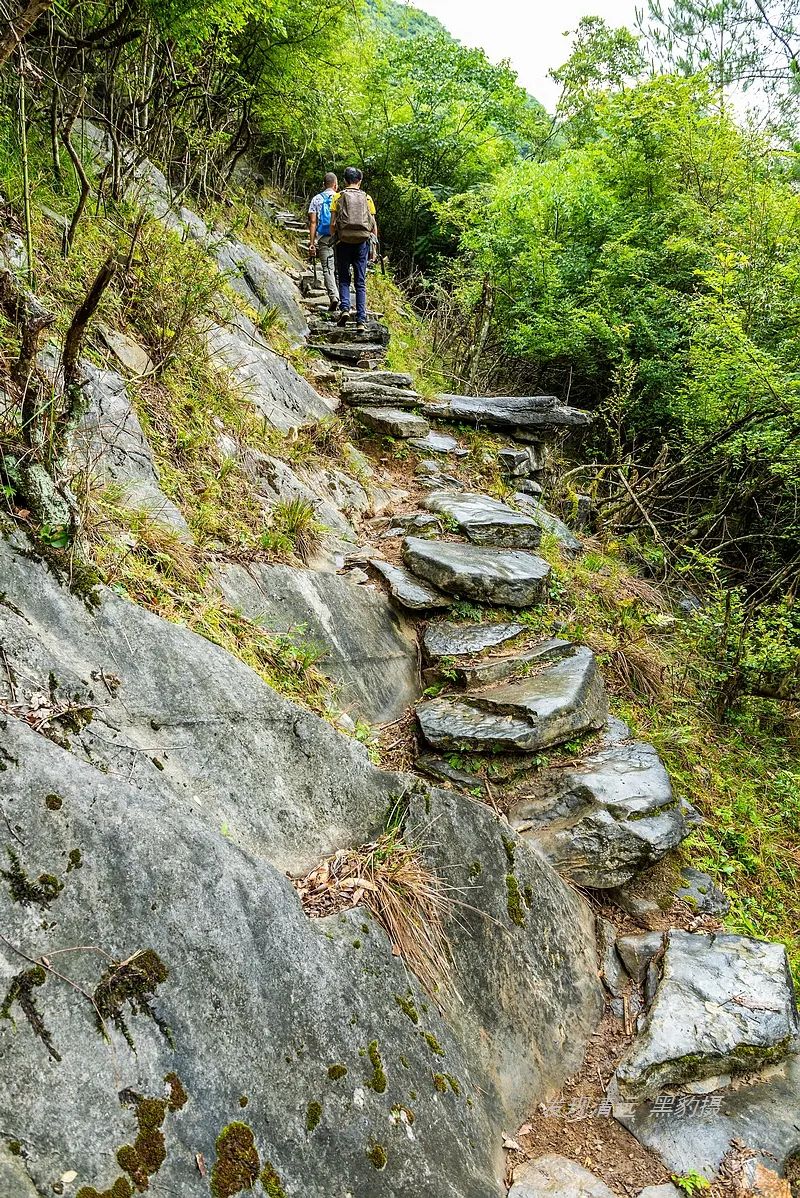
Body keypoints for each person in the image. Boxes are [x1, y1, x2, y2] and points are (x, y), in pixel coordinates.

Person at [330, 166, 377, 332]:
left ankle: (345, 309)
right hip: (362, 243)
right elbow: (373, 225)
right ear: (360, 181)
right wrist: (374, 248)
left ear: (344, 180)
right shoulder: (367, 198)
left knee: (343, 278)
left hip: (343, 242)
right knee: (360, 282)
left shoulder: (338, 196)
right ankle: (361, 320)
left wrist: (335, 238)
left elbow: (332, 224)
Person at [308, 172, 339, 312]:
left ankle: (334, 296)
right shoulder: (340, 197)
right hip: (340, 237)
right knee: (341, 268)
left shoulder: (316, 199)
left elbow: (313, 222)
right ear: (335, 185)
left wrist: (312, 243)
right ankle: (344, 300)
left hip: (323, 238)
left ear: (323, 185)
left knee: (327, 268)